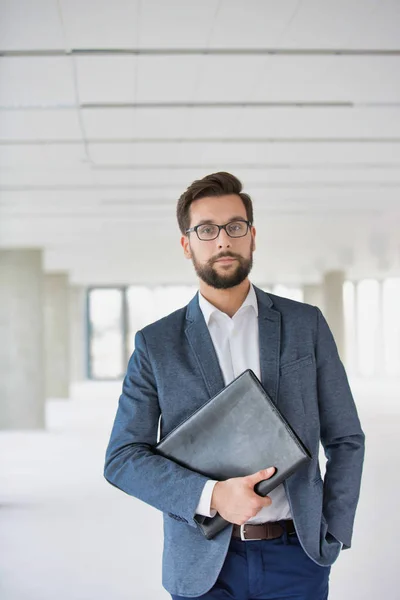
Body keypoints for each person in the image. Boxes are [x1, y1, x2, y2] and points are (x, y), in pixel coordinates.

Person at [104, 172, 365, 599]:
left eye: (235, 226)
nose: (223, 240)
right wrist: (213, 496)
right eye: (206, 229)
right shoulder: (157, 344)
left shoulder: (305, 325)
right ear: (187, 243)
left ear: (252, 236)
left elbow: (346, 437)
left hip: (296, 557)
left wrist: (332, 531)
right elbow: (122, 457)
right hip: (202, 564)